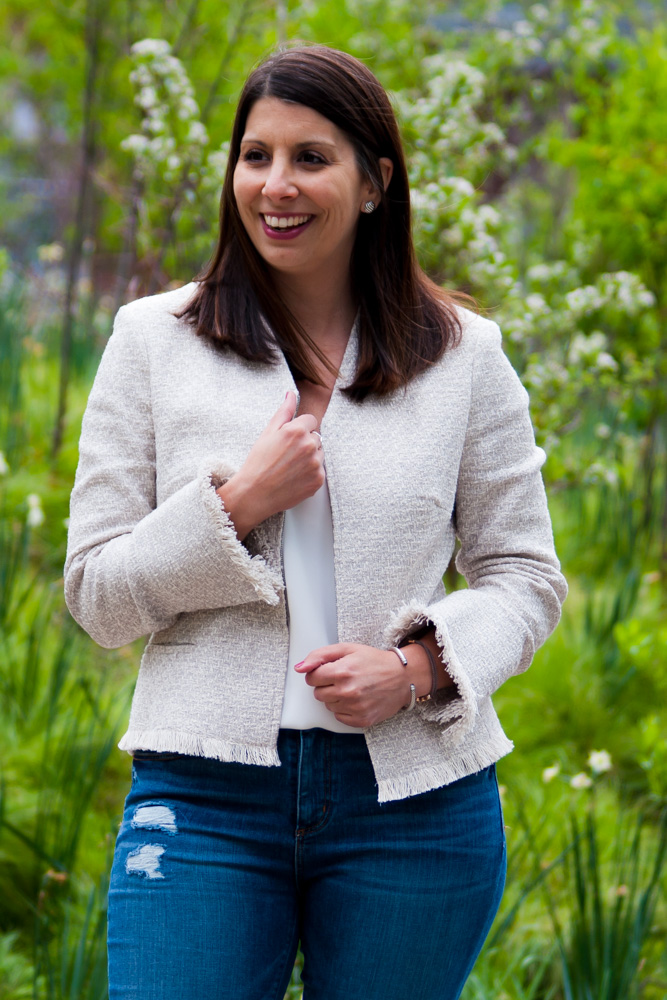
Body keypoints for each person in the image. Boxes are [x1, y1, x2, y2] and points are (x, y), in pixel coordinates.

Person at [64, 43, 567, 1000]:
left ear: (376, 182)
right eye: (255, 156)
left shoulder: (464, 357)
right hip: (202, 793)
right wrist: (234, 506)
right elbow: (95, 595)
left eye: (310, 158)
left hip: (415, 805)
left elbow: (524, 576)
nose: (275, 186)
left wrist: (417, 668)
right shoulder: (152, 343)